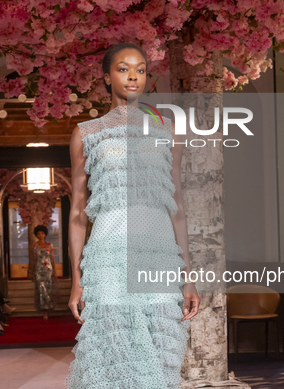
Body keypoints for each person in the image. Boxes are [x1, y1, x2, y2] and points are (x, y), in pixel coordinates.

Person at [65, 43, 200, 388]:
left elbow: (178, 206)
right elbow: (79, 213)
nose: (133, 76)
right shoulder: (87, 133)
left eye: (140, 69)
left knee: (158, 353)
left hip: (159, 256)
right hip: (108, 257)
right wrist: (76, 280)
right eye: (123, 69)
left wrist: (188, 276)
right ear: (107, 77)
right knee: (113, 353)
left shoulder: (168, 130)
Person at [28, 225, 57, 320]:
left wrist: (55, 271)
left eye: (42, 233)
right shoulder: (34, 246)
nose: (40, 235)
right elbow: (32, 260)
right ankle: (43, 310)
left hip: (48, 270)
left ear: (45, 234)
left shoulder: (50, 245)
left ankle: (48, 308)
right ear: (36, 235)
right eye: (38, 233)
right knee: (41, 290)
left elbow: (52, 259)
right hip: (38, 270)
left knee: (48, 289)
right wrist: (31, 271)